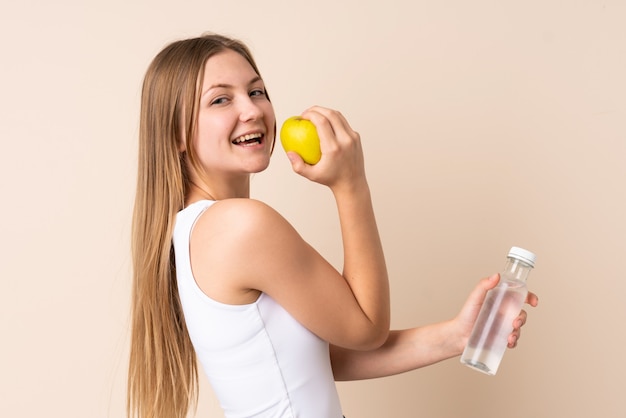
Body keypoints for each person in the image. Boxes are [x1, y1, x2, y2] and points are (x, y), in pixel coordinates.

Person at [127, 33, 539, 418]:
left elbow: (314, 358)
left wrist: (455, 336)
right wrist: (351, 184)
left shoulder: (194, 230)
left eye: (256, 91)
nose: (252, 110)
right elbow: (366, 328)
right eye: (220, 100)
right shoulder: (240, 225)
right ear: (176, 132)